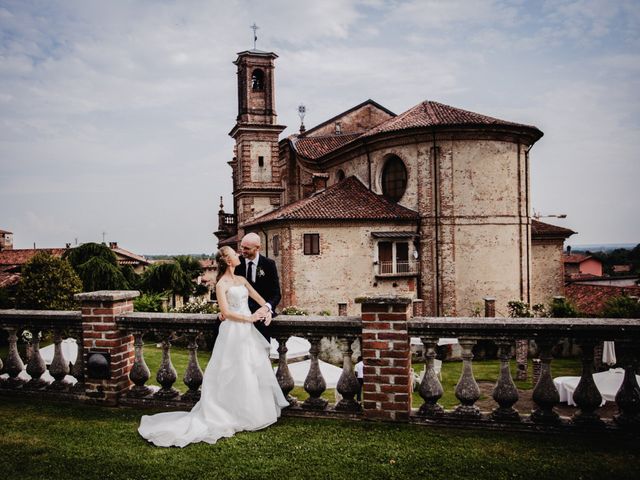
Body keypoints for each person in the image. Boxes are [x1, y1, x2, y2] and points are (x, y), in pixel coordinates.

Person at [138, 246, 289, 448]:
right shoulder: (221, 284)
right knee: (232, 370)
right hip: (233, 331)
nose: (239, 255)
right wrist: (249, 318)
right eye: (235, 254)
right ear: (228, 261)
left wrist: (266, 312)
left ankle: (251, 411)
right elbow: (225, 312)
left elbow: (260, 300)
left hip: (248, 332)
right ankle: (228, 412)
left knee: (250, 370)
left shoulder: (242, 280)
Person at [234, 232, 281, 342]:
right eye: (242, 247)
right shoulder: (236, 263)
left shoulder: (269, 264)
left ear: (257, 248)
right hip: (240, 315)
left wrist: (266, 308)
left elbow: (276, 293)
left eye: (247, 248)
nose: (243, 250)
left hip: (261, 316)